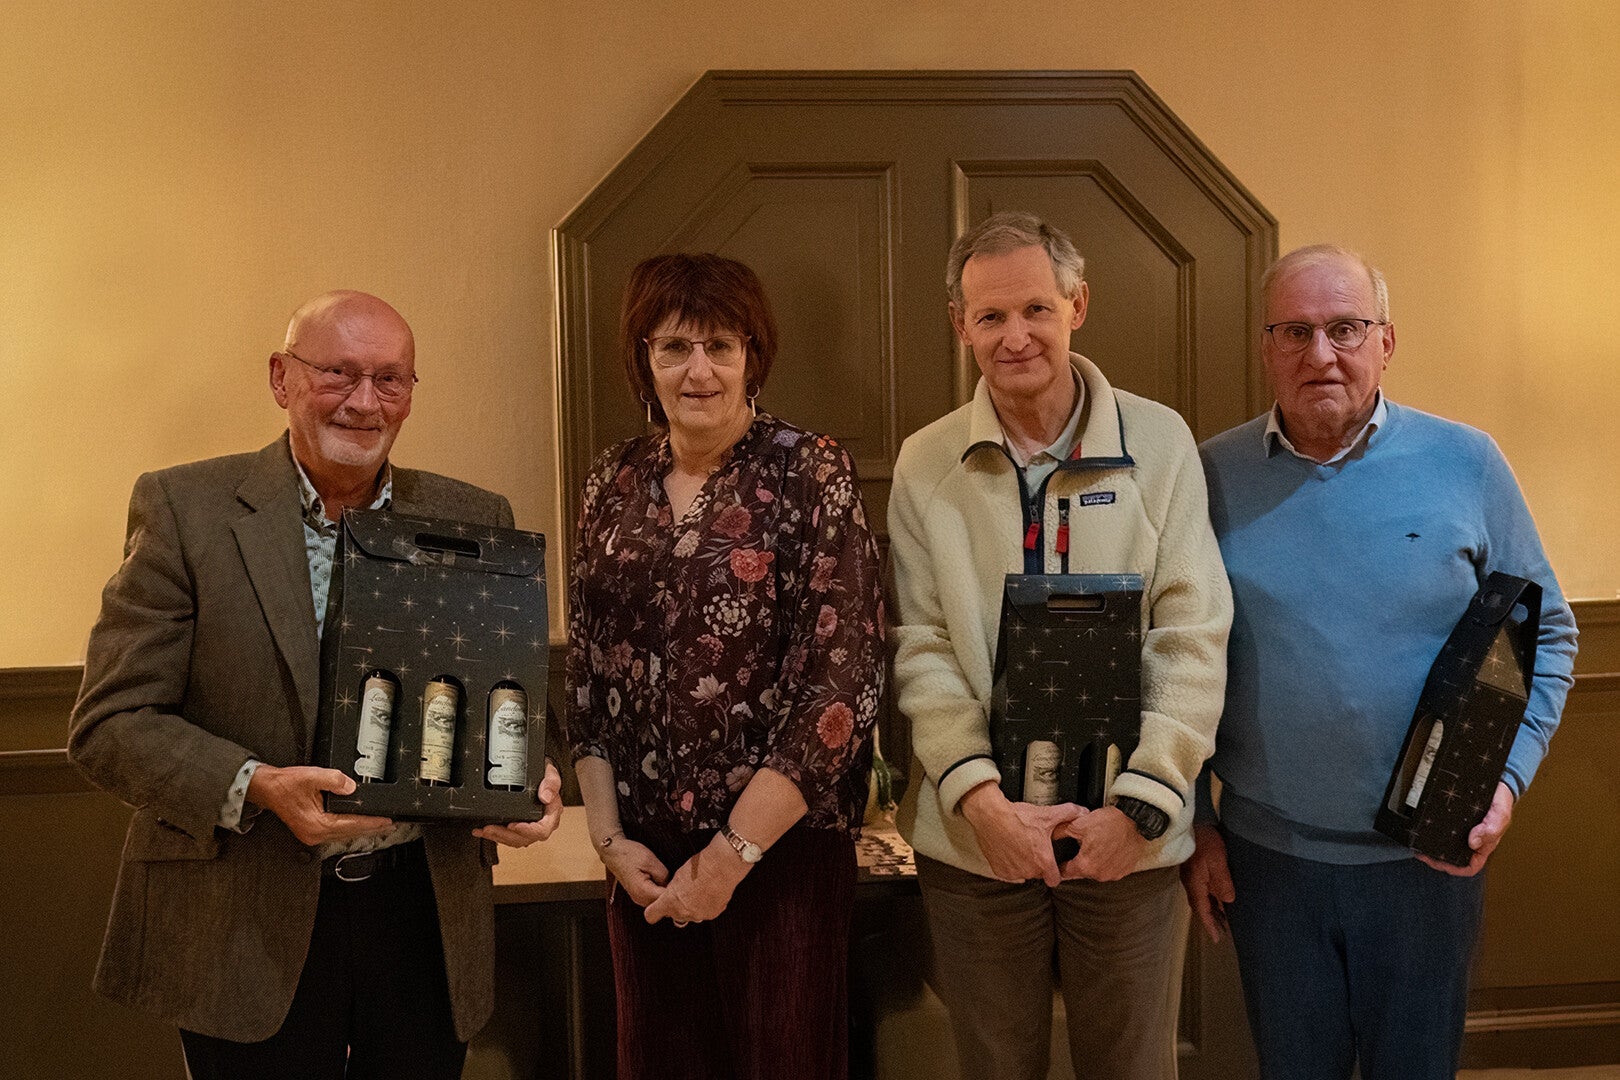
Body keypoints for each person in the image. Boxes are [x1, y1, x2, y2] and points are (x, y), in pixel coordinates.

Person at [67, 290, 564, 1080]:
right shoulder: (185, 509)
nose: (365, 402)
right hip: (243, 922)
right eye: (339, 373)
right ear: (281, 377)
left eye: (390, 379)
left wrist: (532, 778)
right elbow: (111, 723)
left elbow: (511, 699)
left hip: (424, 919)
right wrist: (259, 786)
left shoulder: (474, 514)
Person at [1187, 245, 1579, 1080]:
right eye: (1295, 331)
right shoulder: (1208, 476)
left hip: (1426, 862)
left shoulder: (1468, 462)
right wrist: (1195, 822)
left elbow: (1546, 635)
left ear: (1386, 342)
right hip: (1268, 866)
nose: (1321, 354)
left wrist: (1506, 784)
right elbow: (1174, 658)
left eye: (1345, 328)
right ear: (1265, 347)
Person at [887, 211, 1232, 1080]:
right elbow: (923, 647)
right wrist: (983, 806)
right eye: (991, 316)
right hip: (978, 844)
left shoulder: (1160, 444)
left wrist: (1141, 809)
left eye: (1036, 309)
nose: (1016, 337)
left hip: (1129, 841)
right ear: (960, 326)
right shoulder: (925, 463)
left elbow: (1193, 636)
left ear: (1078, 306)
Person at [563, 253, 886, 1080]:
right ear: (644, 359)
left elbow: (841, 685)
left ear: (753, 355)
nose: (697, 371)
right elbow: (588, 679)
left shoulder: (809, 469)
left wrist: (730, 856)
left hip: (780, 859)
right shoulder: (612, 481)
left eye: (719, 346)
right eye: (674, 347)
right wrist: (608, 840)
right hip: (646, 864)